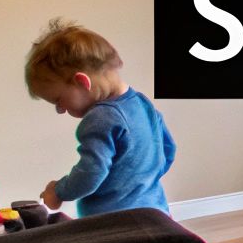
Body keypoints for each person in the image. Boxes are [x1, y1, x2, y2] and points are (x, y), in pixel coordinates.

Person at [25, 18, 175, 216]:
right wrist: (141, 183)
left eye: (58, 100)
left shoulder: (101, 118)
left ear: (82, 82)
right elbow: (168, 151)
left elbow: (91, 172)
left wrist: (58, 191)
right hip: (156, 212)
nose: (60, 109)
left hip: (113, 222)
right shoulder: (143, 105)